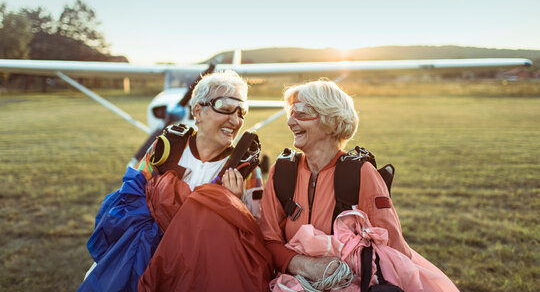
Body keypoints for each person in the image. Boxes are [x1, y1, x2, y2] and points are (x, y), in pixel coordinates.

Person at [79, 70, 271, 292]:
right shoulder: (165, 148)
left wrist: (233, 206)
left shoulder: (244, 168)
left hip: (202, 273)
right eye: (226, 109)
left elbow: (255, 233)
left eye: (242, 113)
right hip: (144, 261)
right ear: (198, 111)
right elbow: (128, 200)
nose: (235, 120)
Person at [260, 80, 458, 291]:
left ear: (331, 122)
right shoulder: (282, 173)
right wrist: (306, 265)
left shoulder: (361, 174)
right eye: (291, 112)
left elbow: (393, 249)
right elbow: (268, 241)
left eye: (301, 112)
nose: (290, 121)